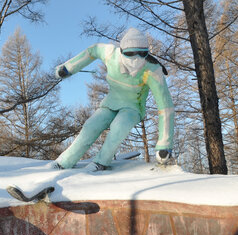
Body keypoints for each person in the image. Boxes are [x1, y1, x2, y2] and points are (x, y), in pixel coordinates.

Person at [52, 27, 174, 171]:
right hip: (111, 102)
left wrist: (164, 144)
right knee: (91, 126)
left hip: (133, 107)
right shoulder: (111, 54)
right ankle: (64, 162)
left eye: (142, 54)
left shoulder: (152, 70)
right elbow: (93, 50)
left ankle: (102, 161)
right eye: (130, 53)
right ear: (122, 51)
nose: (136, 59)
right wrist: (68, 67)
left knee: (119, 126)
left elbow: (165, 106)